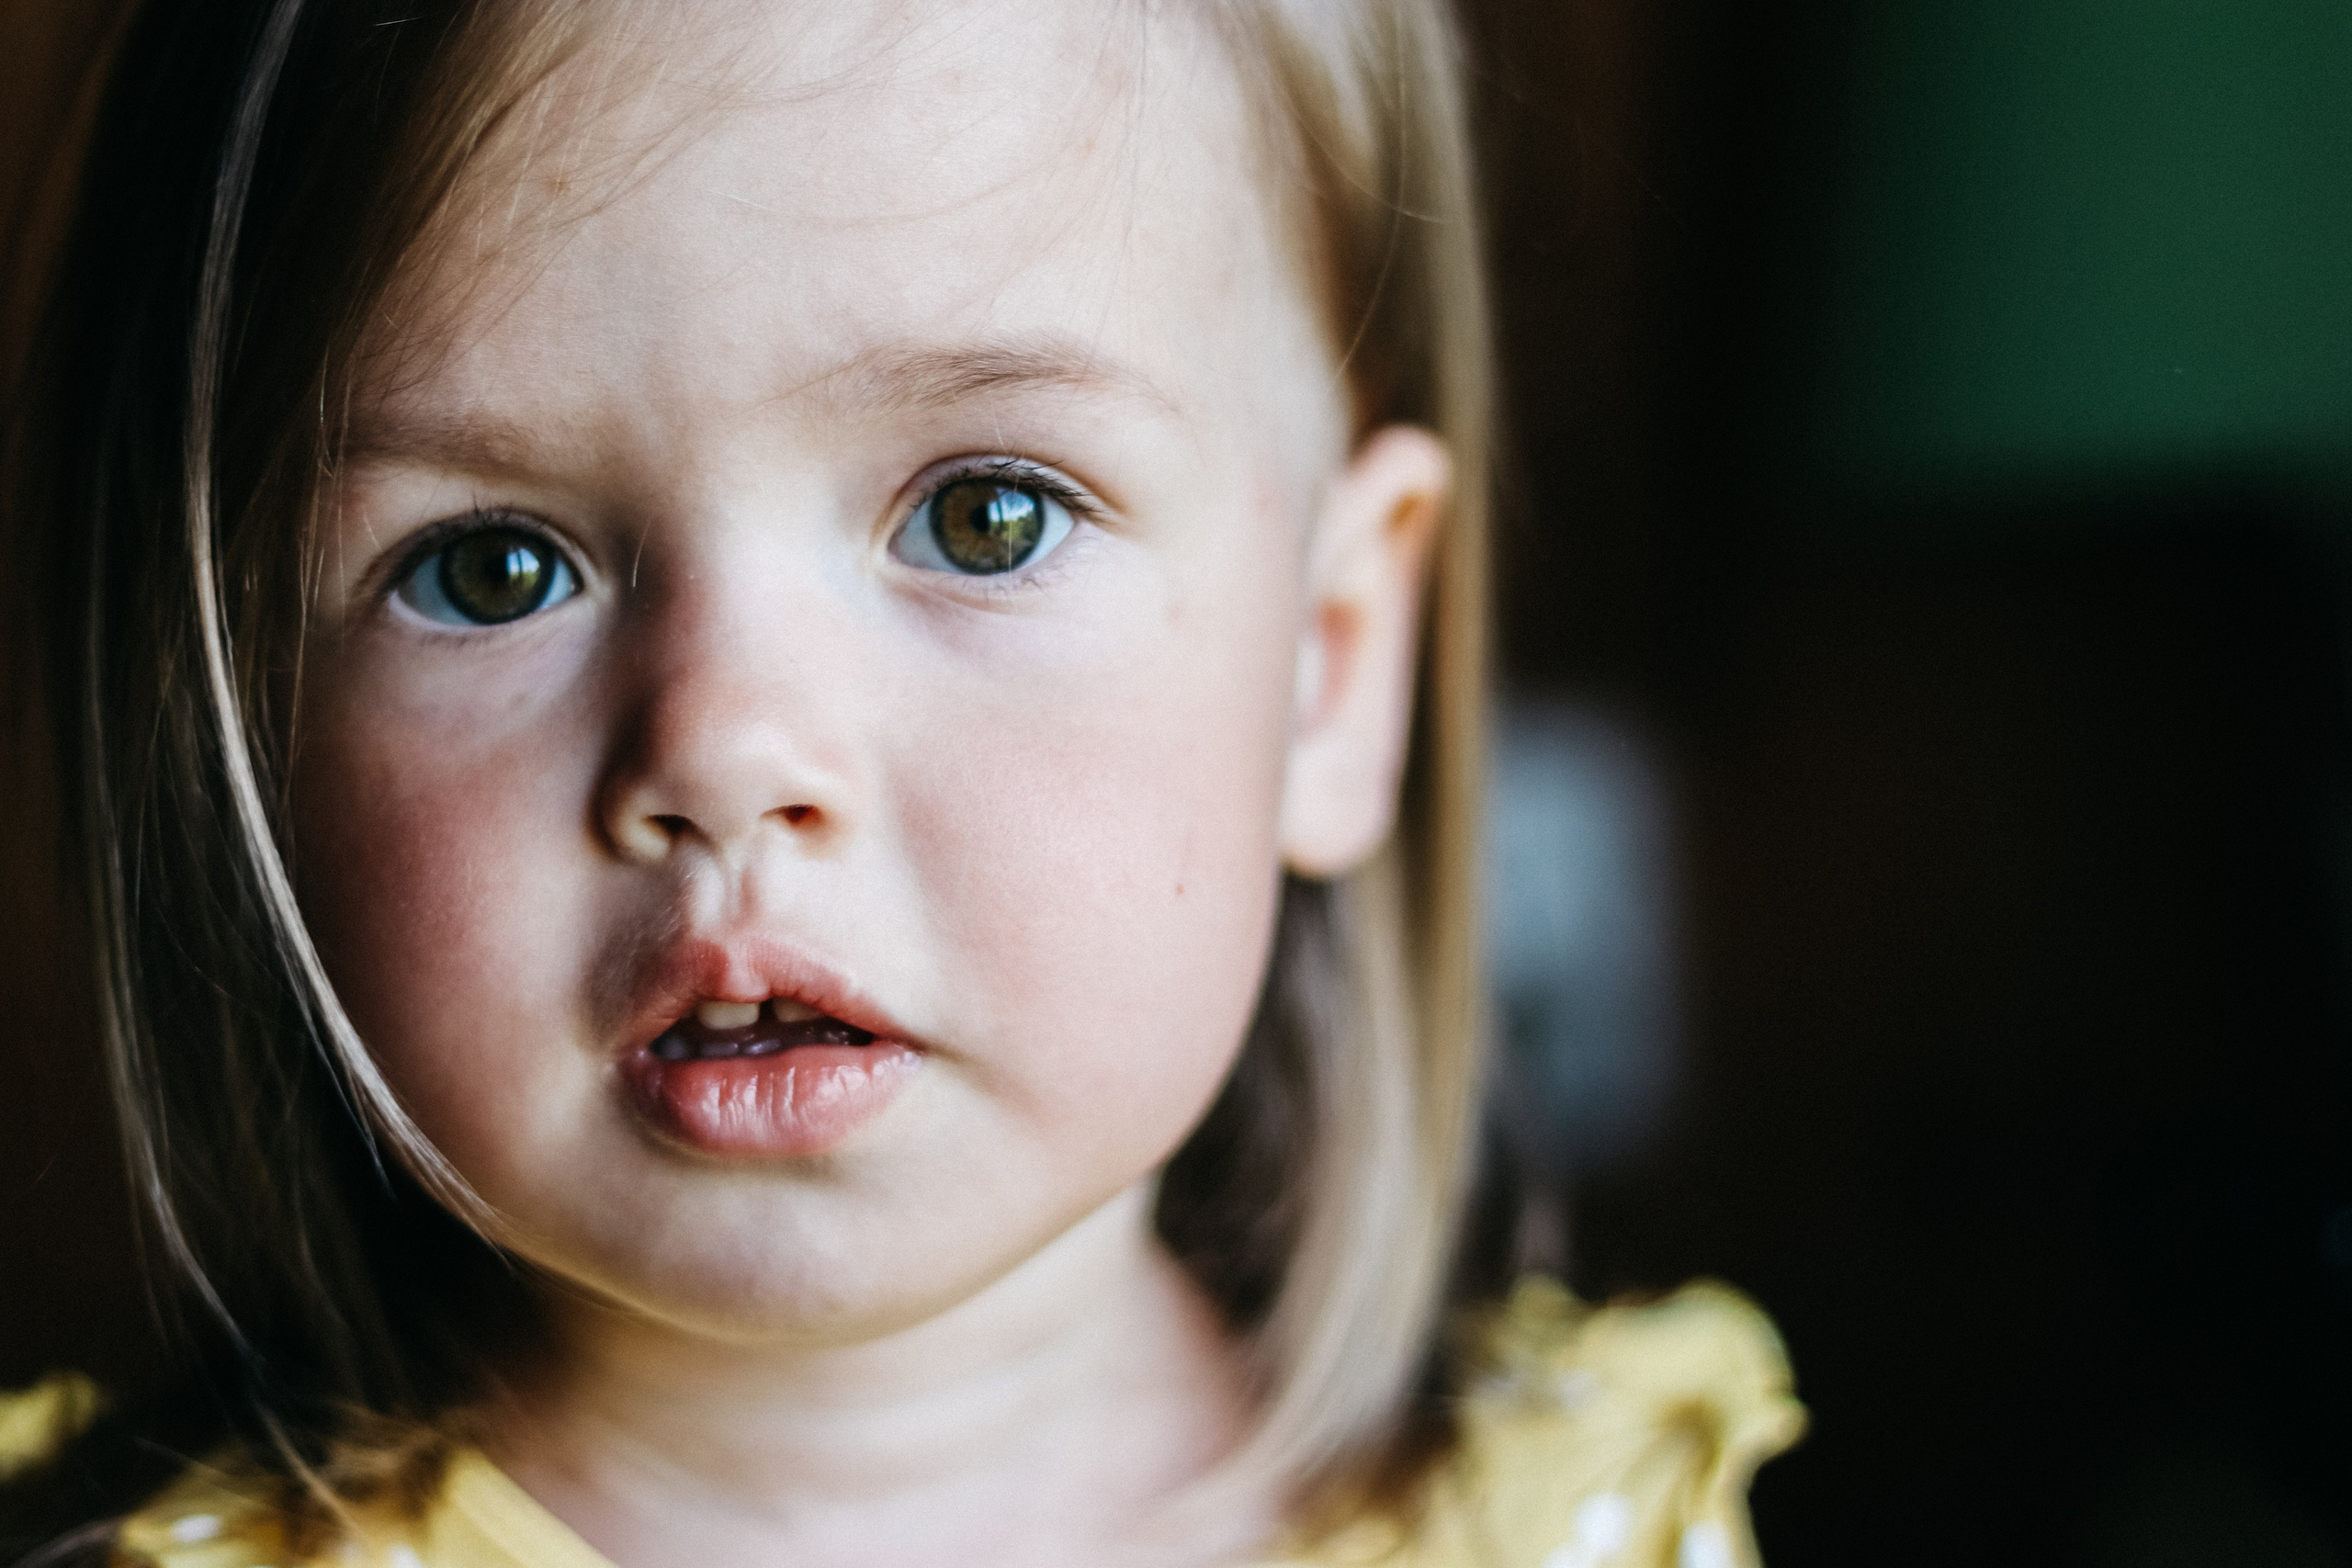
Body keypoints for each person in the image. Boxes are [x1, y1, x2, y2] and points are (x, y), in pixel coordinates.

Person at [0, 2, 1803, 1564]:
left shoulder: (1591, 1523)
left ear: (1330, 663)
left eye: (983, 515)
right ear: (244, 722)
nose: (721, 750)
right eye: (489, 566)